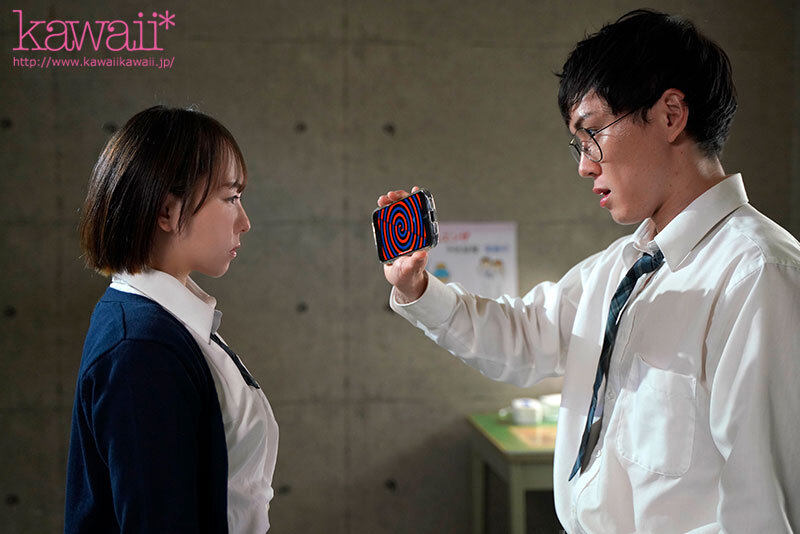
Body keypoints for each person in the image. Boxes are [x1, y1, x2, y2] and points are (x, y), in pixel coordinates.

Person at [379, 9, 799, 533]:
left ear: (671, 115)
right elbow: (523, 335)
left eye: (593, 132)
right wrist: (418, 287)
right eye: (578, 145)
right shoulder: (623, 267)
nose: (584, 165)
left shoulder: (758, 274)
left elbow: (763, 516)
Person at [65, 106, 278, 533]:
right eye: (231, 198)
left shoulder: (166, 325)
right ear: (167, 211)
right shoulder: (141, 350)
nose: (245, 222)